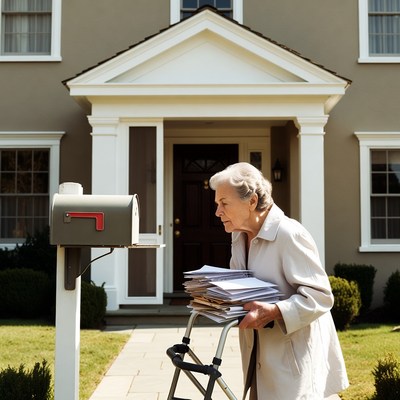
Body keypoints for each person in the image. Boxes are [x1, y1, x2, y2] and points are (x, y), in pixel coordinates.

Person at [209, 162, 349, 400]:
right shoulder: (238, 235)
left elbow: (321, 296)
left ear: (252, 201)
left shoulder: (289, 234)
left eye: (224, 204)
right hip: (258, 357)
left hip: (293, 364)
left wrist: (274, 311)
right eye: (217, 204)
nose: (218, 212)